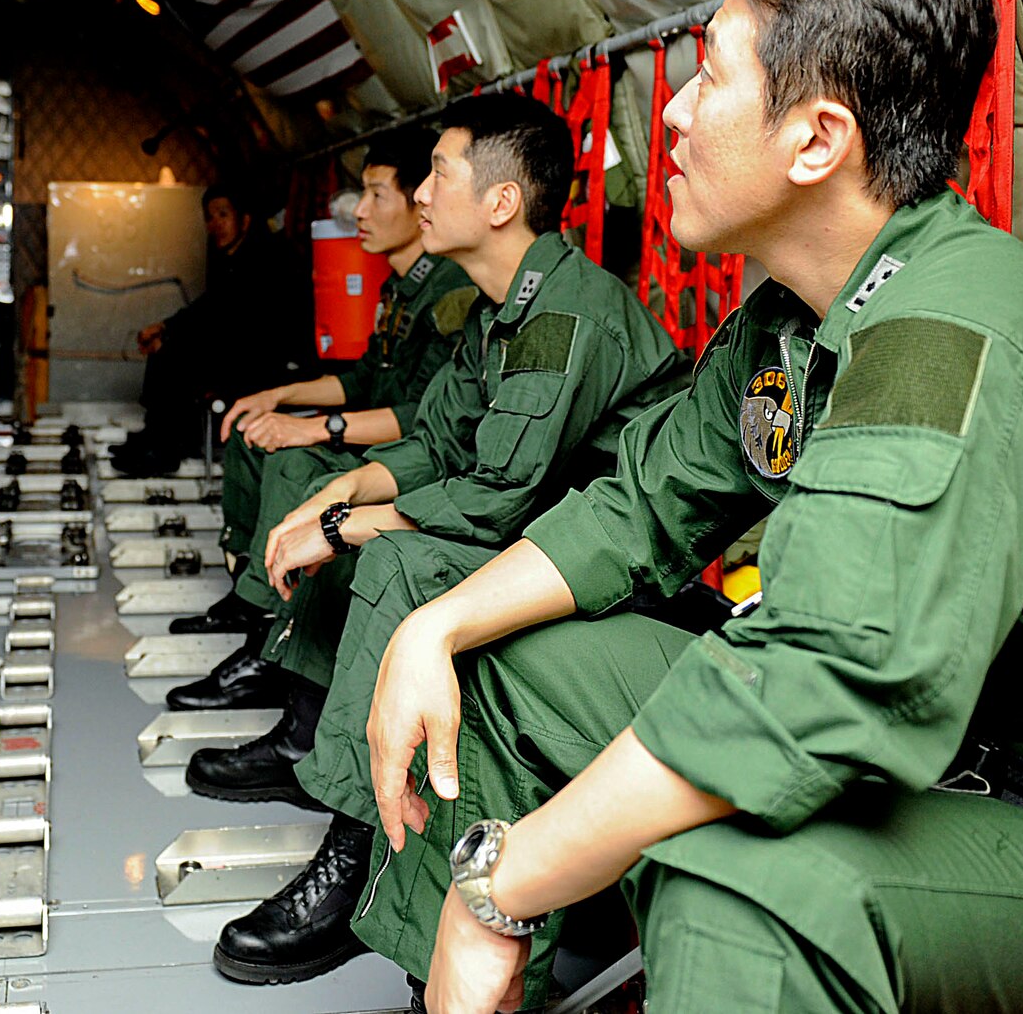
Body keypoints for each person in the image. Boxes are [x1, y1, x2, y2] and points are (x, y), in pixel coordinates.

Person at [332, 0, 1023, 1013]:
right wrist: (427, 627)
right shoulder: (787, 318)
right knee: (501, 660)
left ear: (816, 141)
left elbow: (822, 678)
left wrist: (497, 887)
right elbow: (638, 506)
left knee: (736, 892)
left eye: (707, 78)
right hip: (934, 768)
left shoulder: (944, 334)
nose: (668, 114)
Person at [200, 94, 691, 986]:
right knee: (355, 524)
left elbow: (498, 496)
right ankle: (321, 747)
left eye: (440, 173)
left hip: (617, 577)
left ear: (500, 202)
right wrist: (336, 492)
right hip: (545, 546)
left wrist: (349, 526)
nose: (422, 192)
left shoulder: (564, 313)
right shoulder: (498, 309)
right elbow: (437, 442)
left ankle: (358, 856)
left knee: (397, 559)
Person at [161, 127, 475, 671]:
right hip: (384, 437)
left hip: (417, 459)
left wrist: (314, 429)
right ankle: (248, 587)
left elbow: (423, 419)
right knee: (255, 432)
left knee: (294, 462)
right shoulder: (399, 286)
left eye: (378, 196)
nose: (361, 212)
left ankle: (267, 634)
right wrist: (278, 397)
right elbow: (362, 382)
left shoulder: (449, 291)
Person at [110, 183, 313, 476]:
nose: (214, 224)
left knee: (174, 356)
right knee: (170, 351)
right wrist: (164, 327)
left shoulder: (264, 261)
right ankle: (155, 435)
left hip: (266, 361)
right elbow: (208, 309)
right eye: (209, 217)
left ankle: (164, 448)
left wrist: (172, 338)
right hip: (240, 350)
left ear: (244, 220)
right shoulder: (233, 260)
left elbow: (234, 325)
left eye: (223, 215)